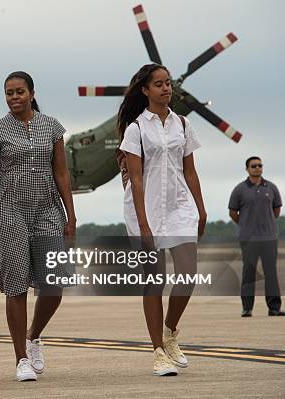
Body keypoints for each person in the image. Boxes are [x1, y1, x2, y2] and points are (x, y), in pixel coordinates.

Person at [0, 71, 76, 382]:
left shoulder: (52, 127)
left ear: (31, 93)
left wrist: (71, 215)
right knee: (16, 286)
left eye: (19, 92)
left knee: (55, 284)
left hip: (47, 211)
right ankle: (20, 358)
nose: (14, 97)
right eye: (9, 93)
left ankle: (33, 336)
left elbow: (61, 174)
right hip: (8, 212)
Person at [118, 63, 206, 376]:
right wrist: (143, 222)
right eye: (159, 84)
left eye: (168, 83)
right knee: (154, 280)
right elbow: (137, 179)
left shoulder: (183, 124)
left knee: (188, 274)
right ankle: (158, 351)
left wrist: (201, 208)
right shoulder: (136, 129)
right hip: (147, 209)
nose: (166, 88)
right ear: (145, 90)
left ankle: (170, 332)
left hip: (180, 206)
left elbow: (191, 171)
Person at [228, 156, 284, 317]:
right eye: (254, 166)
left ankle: (274, 308)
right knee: (248, 273)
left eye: (260, 165)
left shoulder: (271, 187)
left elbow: (276, 210)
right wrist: (245, 225)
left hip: (269, 238)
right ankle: (247, 308)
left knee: (271, 273)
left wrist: (267, 225)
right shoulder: (239, 189)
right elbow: (233, 212)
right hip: (249, 238)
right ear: (247, 169)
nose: (257, 168)